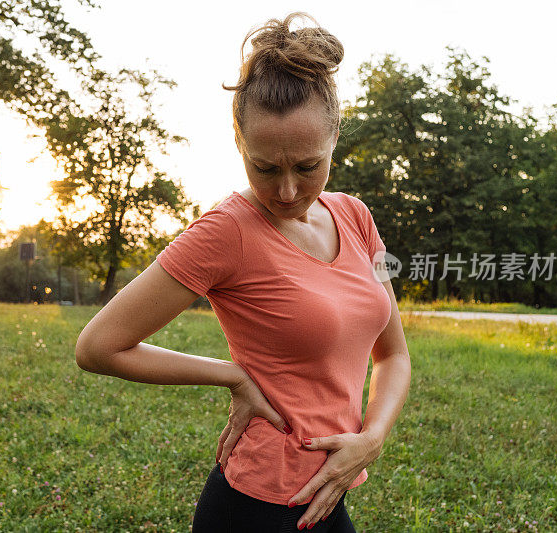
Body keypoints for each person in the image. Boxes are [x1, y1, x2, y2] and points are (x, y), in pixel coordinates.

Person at [75, 11, 411, 533]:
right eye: (265, 167)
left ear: (335, 138)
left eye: (307, 167)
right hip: (256, 506)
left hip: (332, 491)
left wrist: (372, 438)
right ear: (238, 143)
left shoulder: (357, 217)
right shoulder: (225, 232)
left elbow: (393, 354)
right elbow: (98, 346)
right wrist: (231, 376)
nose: (285, 191)